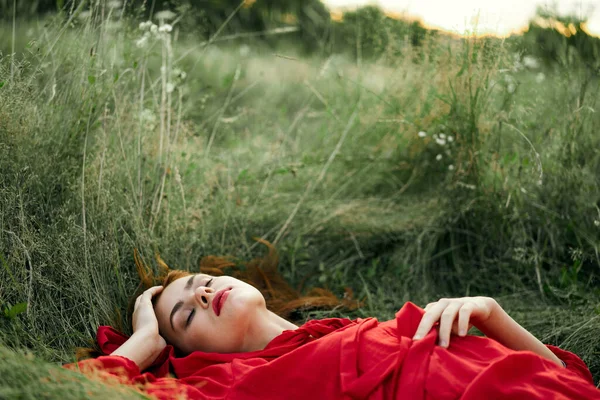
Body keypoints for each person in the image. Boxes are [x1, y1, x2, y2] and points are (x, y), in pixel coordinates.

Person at [67, 243, 600, 399]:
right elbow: (68, 391)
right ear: (184, 354)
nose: (203, 295)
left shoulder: (339, 330)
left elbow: (572, 380)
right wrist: (144, 338)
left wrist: (492, 314)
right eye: (184, 316)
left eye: (199, 283)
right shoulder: (224, 386)